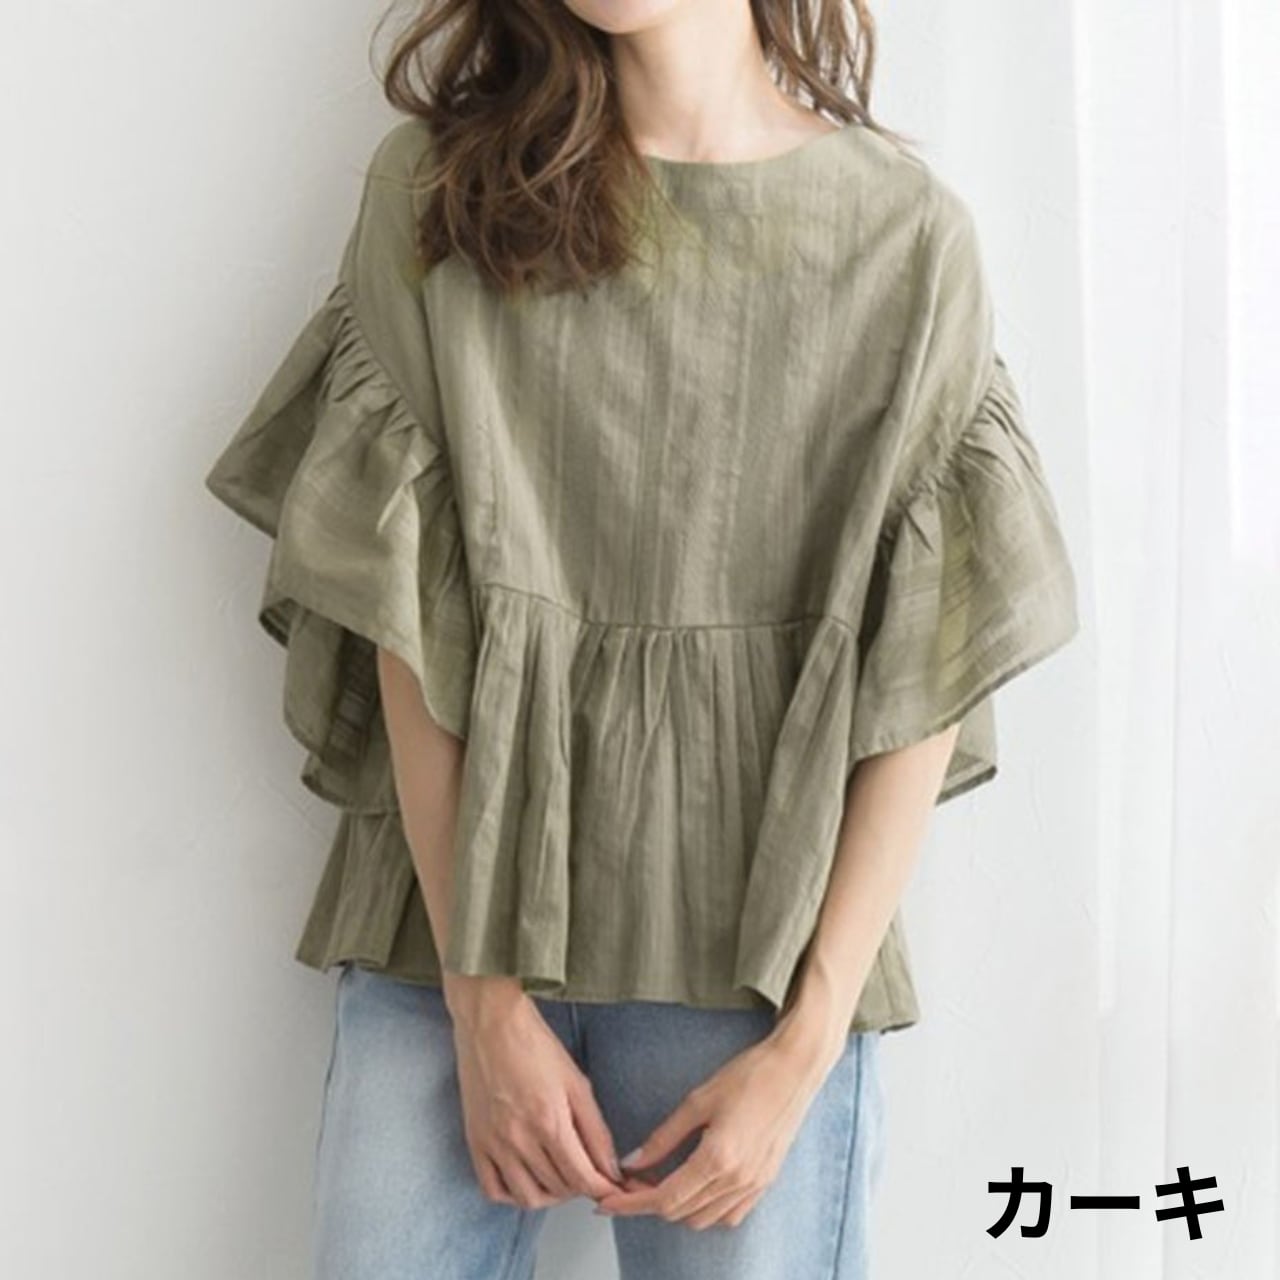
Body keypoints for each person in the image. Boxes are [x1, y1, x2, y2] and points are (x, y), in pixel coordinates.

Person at [203, 1, 1080, 1275]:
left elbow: (923, 672)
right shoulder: (441, 195)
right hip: (441, 946)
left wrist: (802, 1050)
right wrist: (482, 1003)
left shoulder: (904, 239)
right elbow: (406, 620)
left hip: (755, 972)